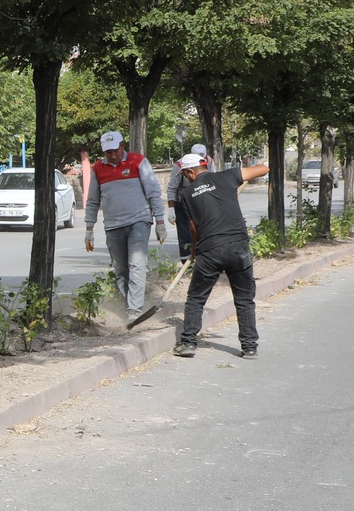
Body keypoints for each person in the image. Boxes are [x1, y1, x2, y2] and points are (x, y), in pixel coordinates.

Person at [175, 151, 269, 359]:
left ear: (190, 172)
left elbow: (193, 228)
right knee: (244, 299)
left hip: (210, 250)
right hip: (238, 248)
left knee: (196, 298)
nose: (186, 178)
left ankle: (188, 343)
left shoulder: (187, 195)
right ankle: (249, 347)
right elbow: (264, 169)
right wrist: (252, 169)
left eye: (185, 175)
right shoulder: (228, 176)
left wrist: (194, 250)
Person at [84, 130, 166, 318]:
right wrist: (89, 229)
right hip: (113, 225)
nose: (112, 155)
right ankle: (129, 306)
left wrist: (160, 222)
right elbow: (93, 201)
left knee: (136, 263)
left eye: (115, 150)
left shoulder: (138, 162)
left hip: (139, 221)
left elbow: (153, 192)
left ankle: (134, 310)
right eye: (108, 152)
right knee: (121, 270)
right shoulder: (97, 169)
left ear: (122, 146)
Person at [167, 143, 208, 262]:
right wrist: (171, 208)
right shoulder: (180, 165)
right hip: (182, 203)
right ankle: (187, 261)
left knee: (204, 230)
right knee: (185, 233)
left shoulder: (208, 162)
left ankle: (203, 258)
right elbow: (171, 188)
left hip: (201, 201)